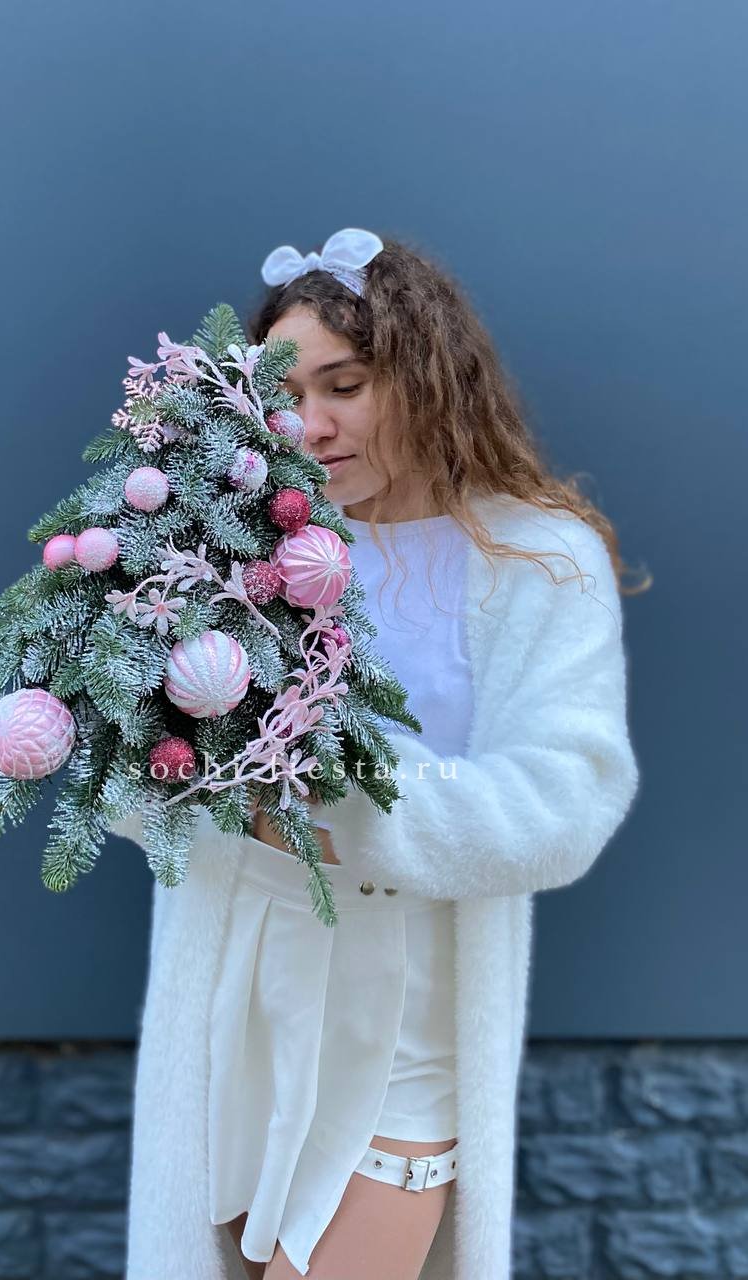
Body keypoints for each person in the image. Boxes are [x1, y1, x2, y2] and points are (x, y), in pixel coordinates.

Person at [108, 227, 646, 1280]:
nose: (310, 423)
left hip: (401, 1011)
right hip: (236, 995)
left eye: (345, 385)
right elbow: (141, 774)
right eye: (284, 394)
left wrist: (344, 798)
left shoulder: (537, 558)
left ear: (427, 375)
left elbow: (565, 799)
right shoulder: (238, 544)